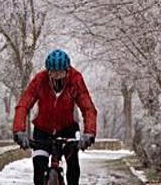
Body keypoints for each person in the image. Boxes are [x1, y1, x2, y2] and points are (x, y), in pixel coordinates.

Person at [12, 49, 97, 185]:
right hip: (42, 130)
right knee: (39, 167)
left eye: (60, 72)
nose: (57, 76)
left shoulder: (75, 79)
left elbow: (88, 108)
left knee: (73, 164)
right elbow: (23, 105)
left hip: (67, 128)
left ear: (67, 70)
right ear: (48, 71)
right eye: (53, 72)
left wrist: (89, 133)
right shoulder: (40, 80)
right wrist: (19, 131)